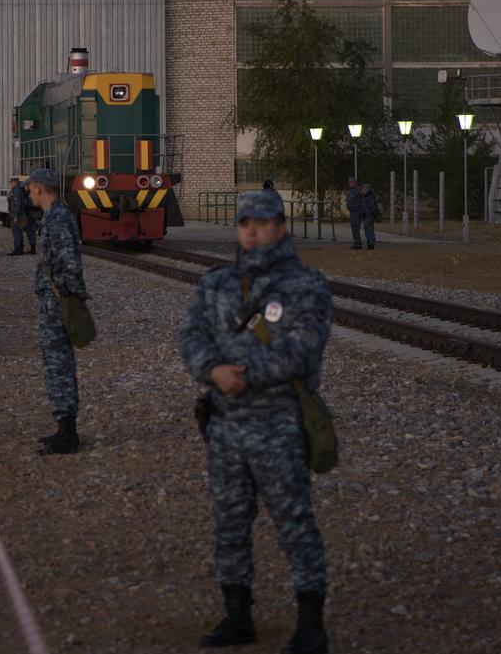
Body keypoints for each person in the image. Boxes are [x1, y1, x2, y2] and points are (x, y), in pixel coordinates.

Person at [178, 189, 332, 653]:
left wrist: (247, 377)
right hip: (226, 426)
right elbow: (190, 333)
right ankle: (237, 615)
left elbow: (304, 347)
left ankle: (310, 626)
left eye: (261, 223)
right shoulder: (217, 283)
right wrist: (212, 372)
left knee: (293, 522)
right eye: (245, 223)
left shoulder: (306, 285)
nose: (251, 231)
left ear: (281, 227)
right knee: (229, 524)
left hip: (279, 422)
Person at [28, 168, 87, 456]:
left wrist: (64, 297)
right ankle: (63, 427)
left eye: (31, 188)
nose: (29, 192)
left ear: (40, 188)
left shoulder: (58, 218)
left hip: (57, 303)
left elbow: (72, 263)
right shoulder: (54, 216)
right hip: (54, 300)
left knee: (59, 365)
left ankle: (67, 432)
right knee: (55, 364)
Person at [8, 176, 36, 256]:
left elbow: (17, 204)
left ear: (14, 182)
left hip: (17, 214)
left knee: (17, 232)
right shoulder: (20, 190)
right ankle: (21, 249)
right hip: (22, 214)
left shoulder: (16, 190)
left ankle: (18, 249)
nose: (11, 184)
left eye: (11, 182)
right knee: (20, 232)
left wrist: (16, 215)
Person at [345, 178, 364, 250]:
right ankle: (356, 243)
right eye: (349, 182)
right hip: (352, 212)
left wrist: (357, 209)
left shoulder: (357, 191)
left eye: (352, 182)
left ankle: (358, 244)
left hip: (357, 212)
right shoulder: (351, 191)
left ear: (355, 183)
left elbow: (361, 202)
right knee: (354, 228)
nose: (350, 184)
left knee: (356, 228)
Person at [359, 183, 378, 250]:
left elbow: (372, 207)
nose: (361, 190)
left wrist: (368, 213)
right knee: (367, 229)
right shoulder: (365, 196)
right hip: (366, 215)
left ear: (366, 189)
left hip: (369, 215)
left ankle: (371, 243)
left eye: (363, 189)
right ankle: (370, 242)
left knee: (369, 229)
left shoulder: (370, 197)